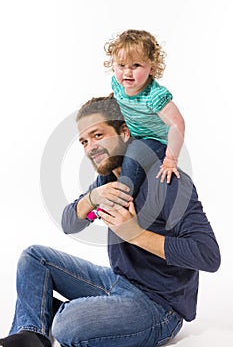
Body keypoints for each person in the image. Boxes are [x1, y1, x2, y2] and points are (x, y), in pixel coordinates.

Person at [0, 96, 220, 347]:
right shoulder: (107, 182)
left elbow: (209, 256)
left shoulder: (166, 180)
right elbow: (69, 224)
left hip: (158, 307)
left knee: (67, 325)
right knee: (33, 258)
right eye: (84, 141)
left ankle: (42, 310)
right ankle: (33, 333)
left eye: (97, 135)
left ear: (124, 132)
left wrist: (135, 233)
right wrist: (92, 198)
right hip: (118, 282)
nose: (90, 147)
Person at [104, 29, 185, 196]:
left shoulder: (154, 96)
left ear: (152, 68)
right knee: (109, 154)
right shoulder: (118, 85)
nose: (127, 72)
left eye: (136, 65)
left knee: (135, 154)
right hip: (133, 136)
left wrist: (170, 159)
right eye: (121, 65)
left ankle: (123, 198)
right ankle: (100, 194)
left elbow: (177, 124)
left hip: (157, 141)